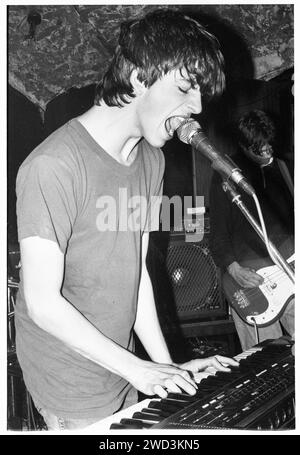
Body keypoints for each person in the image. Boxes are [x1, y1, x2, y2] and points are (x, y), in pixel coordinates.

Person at [15, 9, 238, 431]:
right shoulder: (53, 165)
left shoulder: (151, 161)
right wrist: (139, 370)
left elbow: (137, 279)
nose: (197, 107)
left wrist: (170, 369)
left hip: (122, 362)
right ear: (139, 77)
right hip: (70, 382)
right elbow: (41, 304)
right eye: (186, 88)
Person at [209, 109, 294, 351]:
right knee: (265, 361)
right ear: (243, 146)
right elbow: (218, 232)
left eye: (269, 145)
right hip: (252, 282)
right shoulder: (227, 174)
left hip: (290, 270)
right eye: (259, 148)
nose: (267, 152)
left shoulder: (286, 167)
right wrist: (233, 268)